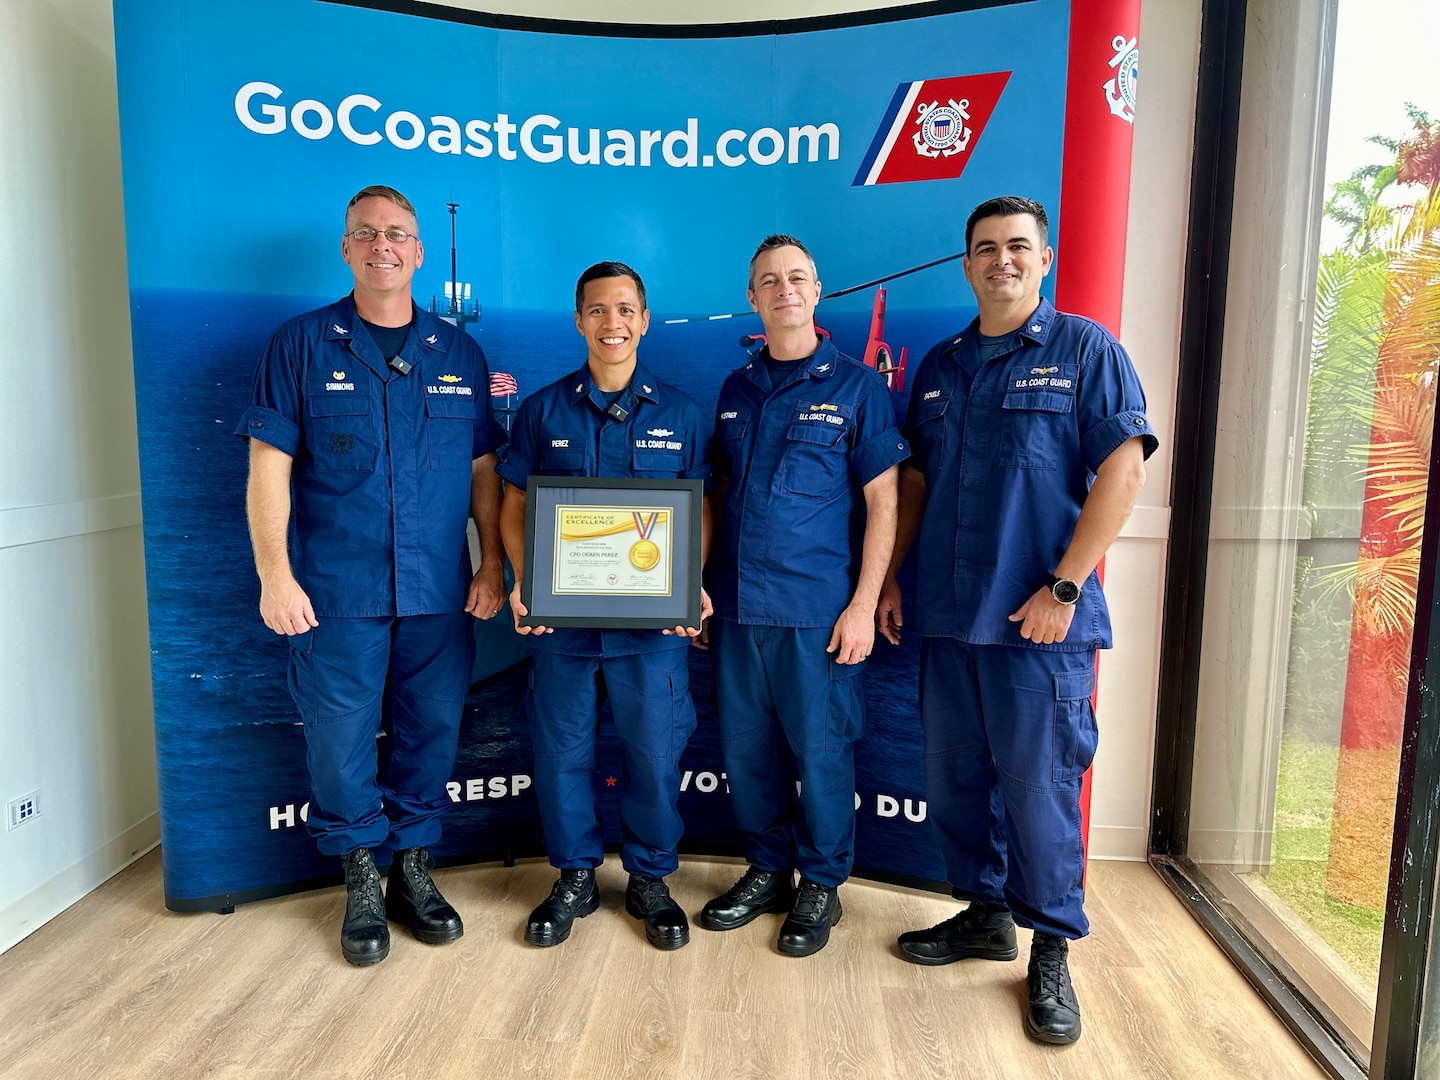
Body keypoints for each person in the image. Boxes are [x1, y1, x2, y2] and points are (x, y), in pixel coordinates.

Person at [878, 195, 1155, 1044]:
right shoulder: (939, 365)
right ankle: (984, 913)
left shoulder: (1086, 352)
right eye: (986, 248)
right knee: (957, 782)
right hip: (948, 618)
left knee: (1039, 793)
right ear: (967, 264)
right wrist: (892, 580)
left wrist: (1064, 588)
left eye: (1018, 247)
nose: (1002, 260)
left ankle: (1050, 947)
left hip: (1040, 625)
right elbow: (917, 486)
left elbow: (1122, 476)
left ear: (1045, 259)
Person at [237, 185, 508, 967]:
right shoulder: (300, 344)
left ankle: (413, 871)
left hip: (438, 593)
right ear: (347, 249)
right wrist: (274, 577)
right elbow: (268, 468)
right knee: (340, 742)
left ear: (418, 252)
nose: (383, 246)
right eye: (366, 234)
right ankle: (361, 878)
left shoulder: (460, 353)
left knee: (431, 734)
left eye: (398, 234)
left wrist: (491, 561)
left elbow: (485, 469)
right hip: (334, 593)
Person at [701, 234, 908, 957]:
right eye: (768, 280)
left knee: (822, 754)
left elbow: (885, 502)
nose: (784, 289)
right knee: (747, 751)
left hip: (818, 613)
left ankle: (821, 882)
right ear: (753, 298)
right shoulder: (735, 391)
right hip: (735, 608)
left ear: (816, 292)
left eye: (797, 278)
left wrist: (863, 602)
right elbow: (716, 495)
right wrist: (694, 590)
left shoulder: (858, 388)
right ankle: (766, 869)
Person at [498, 262, 712, 951]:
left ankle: (650, 877)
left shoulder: (681, 413)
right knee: (561, 752)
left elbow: (700, 511)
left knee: (654, 750)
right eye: (597, 310)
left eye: (626, 310)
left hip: (653, 627)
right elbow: (513, 506)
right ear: (579, 320)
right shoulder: (542, 410)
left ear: (644, 320)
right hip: (563, 624)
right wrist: (524, 578)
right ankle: (574, 876)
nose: (612, 323)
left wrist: (691, 581)